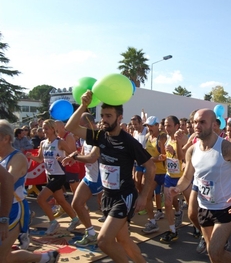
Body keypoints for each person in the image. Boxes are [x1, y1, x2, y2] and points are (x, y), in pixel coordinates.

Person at [65, 91, 155, 263]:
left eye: (108, 116)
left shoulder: (129, 141)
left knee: (104, 241)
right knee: (123, 240)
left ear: (119, 118)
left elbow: (150, 166)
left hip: (124, 196)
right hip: (108, 196)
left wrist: (144, 195)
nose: (104, 119)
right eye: (102, 116)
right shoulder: (100, 136)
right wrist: (84, 105)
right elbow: (70, 127)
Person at [169, 109, 231, 263]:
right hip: (204, 208)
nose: (197, 126)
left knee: (214, 251)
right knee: (214, 255)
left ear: (213, 125)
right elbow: (186, 177)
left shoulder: (226, 148)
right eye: (195, 122)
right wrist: (177, 189)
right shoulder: (192, 150)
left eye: (202, 122)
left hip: (224, 208)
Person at [0, 120, 60, 263]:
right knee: (5, 257)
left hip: (13, 210)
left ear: (6, 139)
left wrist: (3, 219)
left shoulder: (17, 158)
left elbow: (7, 183)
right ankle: (45, 258)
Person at [26, 119, 80, 235]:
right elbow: (40, 159)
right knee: (60, 200)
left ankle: (53, 222)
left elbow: (74, 153)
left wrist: (66, 158)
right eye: (43, 128)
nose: (43, 131)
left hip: (59, 175)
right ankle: (75, 219)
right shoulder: (43, 143)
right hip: (49, 175)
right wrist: (31, 157)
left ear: (52, 129)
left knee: (40, 199)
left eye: (46, 128)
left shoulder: (60, 142)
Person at [62, 112, 103, 247]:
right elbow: (84, 154)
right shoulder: (86, 138)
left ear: (88, 124)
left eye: (80, 125)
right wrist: (73, 156)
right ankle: (91, 233)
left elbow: (91, 157)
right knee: (77, 204)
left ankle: (120, 231)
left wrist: (74, 158)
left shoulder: (99, 136)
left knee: (106, 209)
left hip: (102, 178)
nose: (78, 128)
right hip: (89, 176)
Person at [159, 116, 189, 243]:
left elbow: (184, 158)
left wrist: (174, 151)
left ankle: (199, 229)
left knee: (192, 206)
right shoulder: (166, 139)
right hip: (169, 176)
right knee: (167, 203)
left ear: (177, 126)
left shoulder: (184, 138)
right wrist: (164, 156)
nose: (166, 128)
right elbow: (170, 157)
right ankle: (172, 231)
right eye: (165, 125)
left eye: (169, 125)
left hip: (183, 178)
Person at [142, 116, 167, 234]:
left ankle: (178, 211)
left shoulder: (162, 137)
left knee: (171, 199)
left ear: (157, 125)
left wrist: (150, 159)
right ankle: (152, 222)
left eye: (151, 126)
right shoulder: (147, 137)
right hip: (152, 173)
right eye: (147, 126)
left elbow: (163, 156)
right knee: (146, 196)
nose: (149, 128)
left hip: (164, 172)